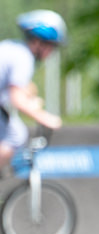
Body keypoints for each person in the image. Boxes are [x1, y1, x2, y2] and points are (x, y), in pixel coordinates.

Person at [0, 10, 66, 176]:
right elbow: (17, 98)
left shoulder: (13, 48)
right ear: (38, 42)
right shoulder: (24, 58)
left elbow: (20, 87)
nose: (51, 52)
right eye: (52, 45)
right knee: (16, 135)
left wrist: (31, 98)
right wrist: (45, 117)